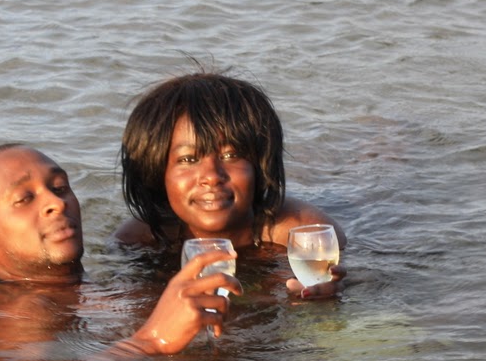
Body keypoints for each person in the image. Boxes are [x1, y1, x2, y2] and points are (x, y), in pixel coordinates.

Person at [0, 143, 240, 357]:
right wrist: (149, 340)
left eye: (60, 187)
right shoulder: (26, 314)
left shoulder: (78, 290)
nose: (56, 203)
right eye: (24, 199)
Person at [114, 70, 346, 298]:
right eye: (188, 159)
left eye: (231, 155)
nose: (212, 176)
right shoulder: (140, 239)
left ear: (260, 166)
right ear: (155, 172)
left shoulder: (302, 233)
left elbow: (347, 280)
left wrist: (319, 298)